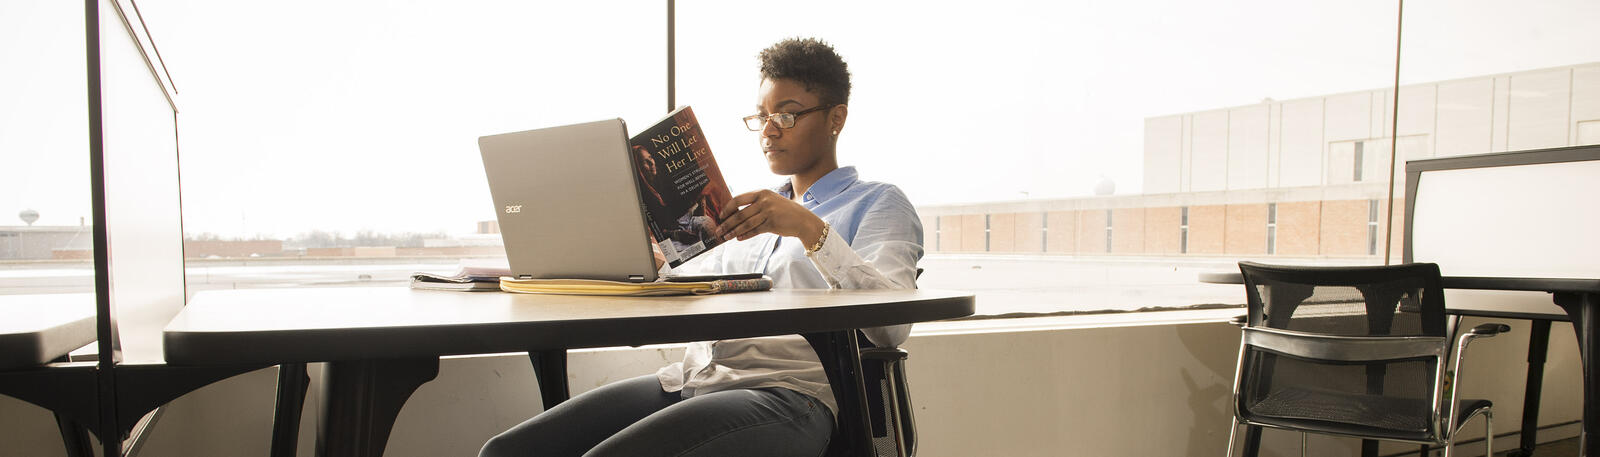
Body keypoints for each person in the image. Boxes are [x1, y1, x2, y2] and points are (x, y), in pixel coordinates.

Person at [479, 37, 923, 457]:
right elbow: (694, 292)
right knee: (506, 452)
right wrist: (648, 263)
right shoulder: (744, 213)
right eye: (761, 116)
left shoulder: (878, 202)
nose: (768, 131)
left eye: (786, 116)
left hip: (793, 394)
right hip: (695, 379)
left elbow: (890, 326)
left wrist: (810, 230)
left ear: (835, 119)